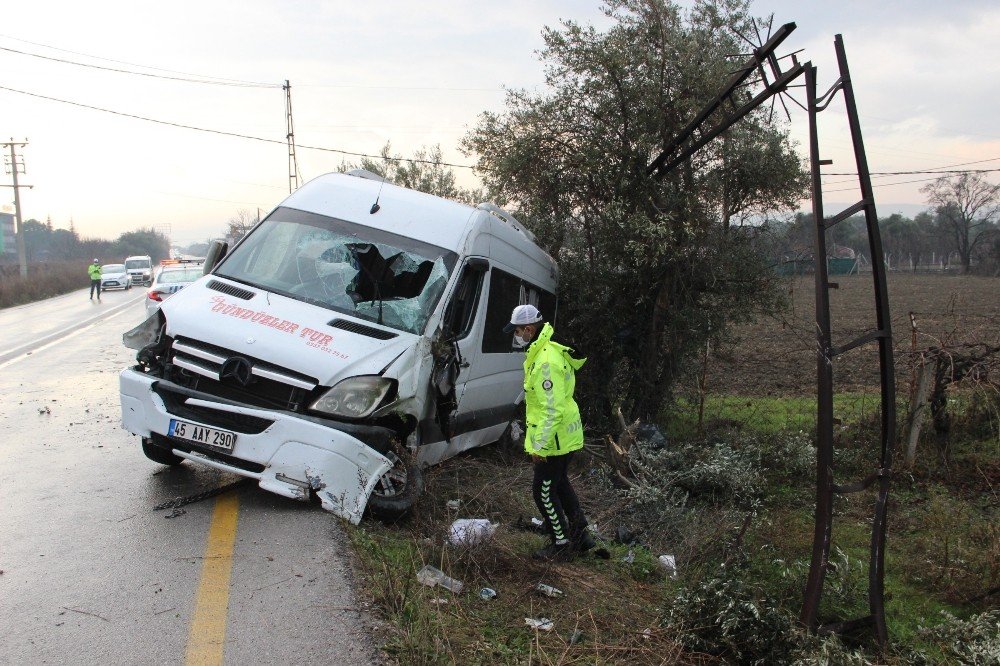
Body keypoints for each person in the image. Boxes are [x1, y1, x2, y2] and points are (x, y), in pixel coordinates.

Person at [505, 304, 595, 560]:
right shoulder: (544, 349)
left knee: (543, 491)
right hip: (562, 436)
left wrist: (538, 447)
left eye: (518, 331)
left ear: (530, 329)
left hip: (554, 439)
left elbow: (551, 409)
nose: (516, 335)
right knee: (559, 484)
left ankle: (561, 543)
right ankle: (581, 535)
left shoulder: (546, 360)